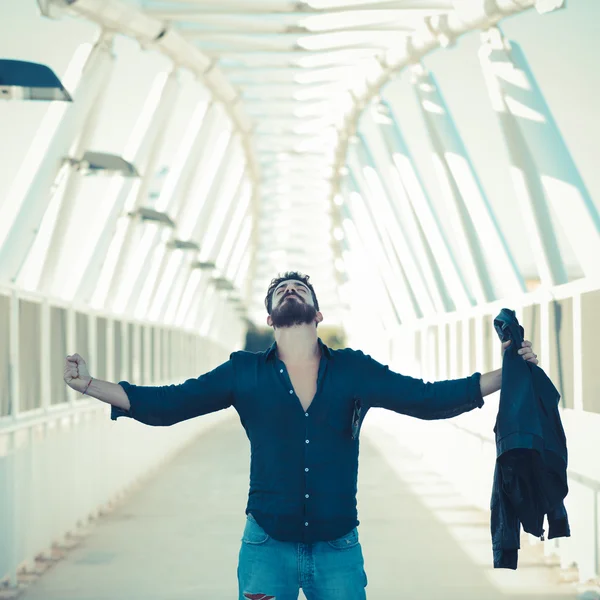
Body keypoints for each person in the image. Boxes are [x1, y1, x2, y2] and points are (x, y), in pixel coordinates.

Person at [63, 271, 538, 600]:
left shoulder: (354, 370)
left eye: (299, 288)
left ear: (317, 312)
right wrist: (90, 385)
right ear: (270, 317)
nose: (290, 291)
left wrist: (507, 375)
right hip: (266, 546)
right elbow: (169, 403)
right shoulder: (243, 372)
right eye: (281, 290)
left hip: (338, 549)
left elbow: (427, 398)